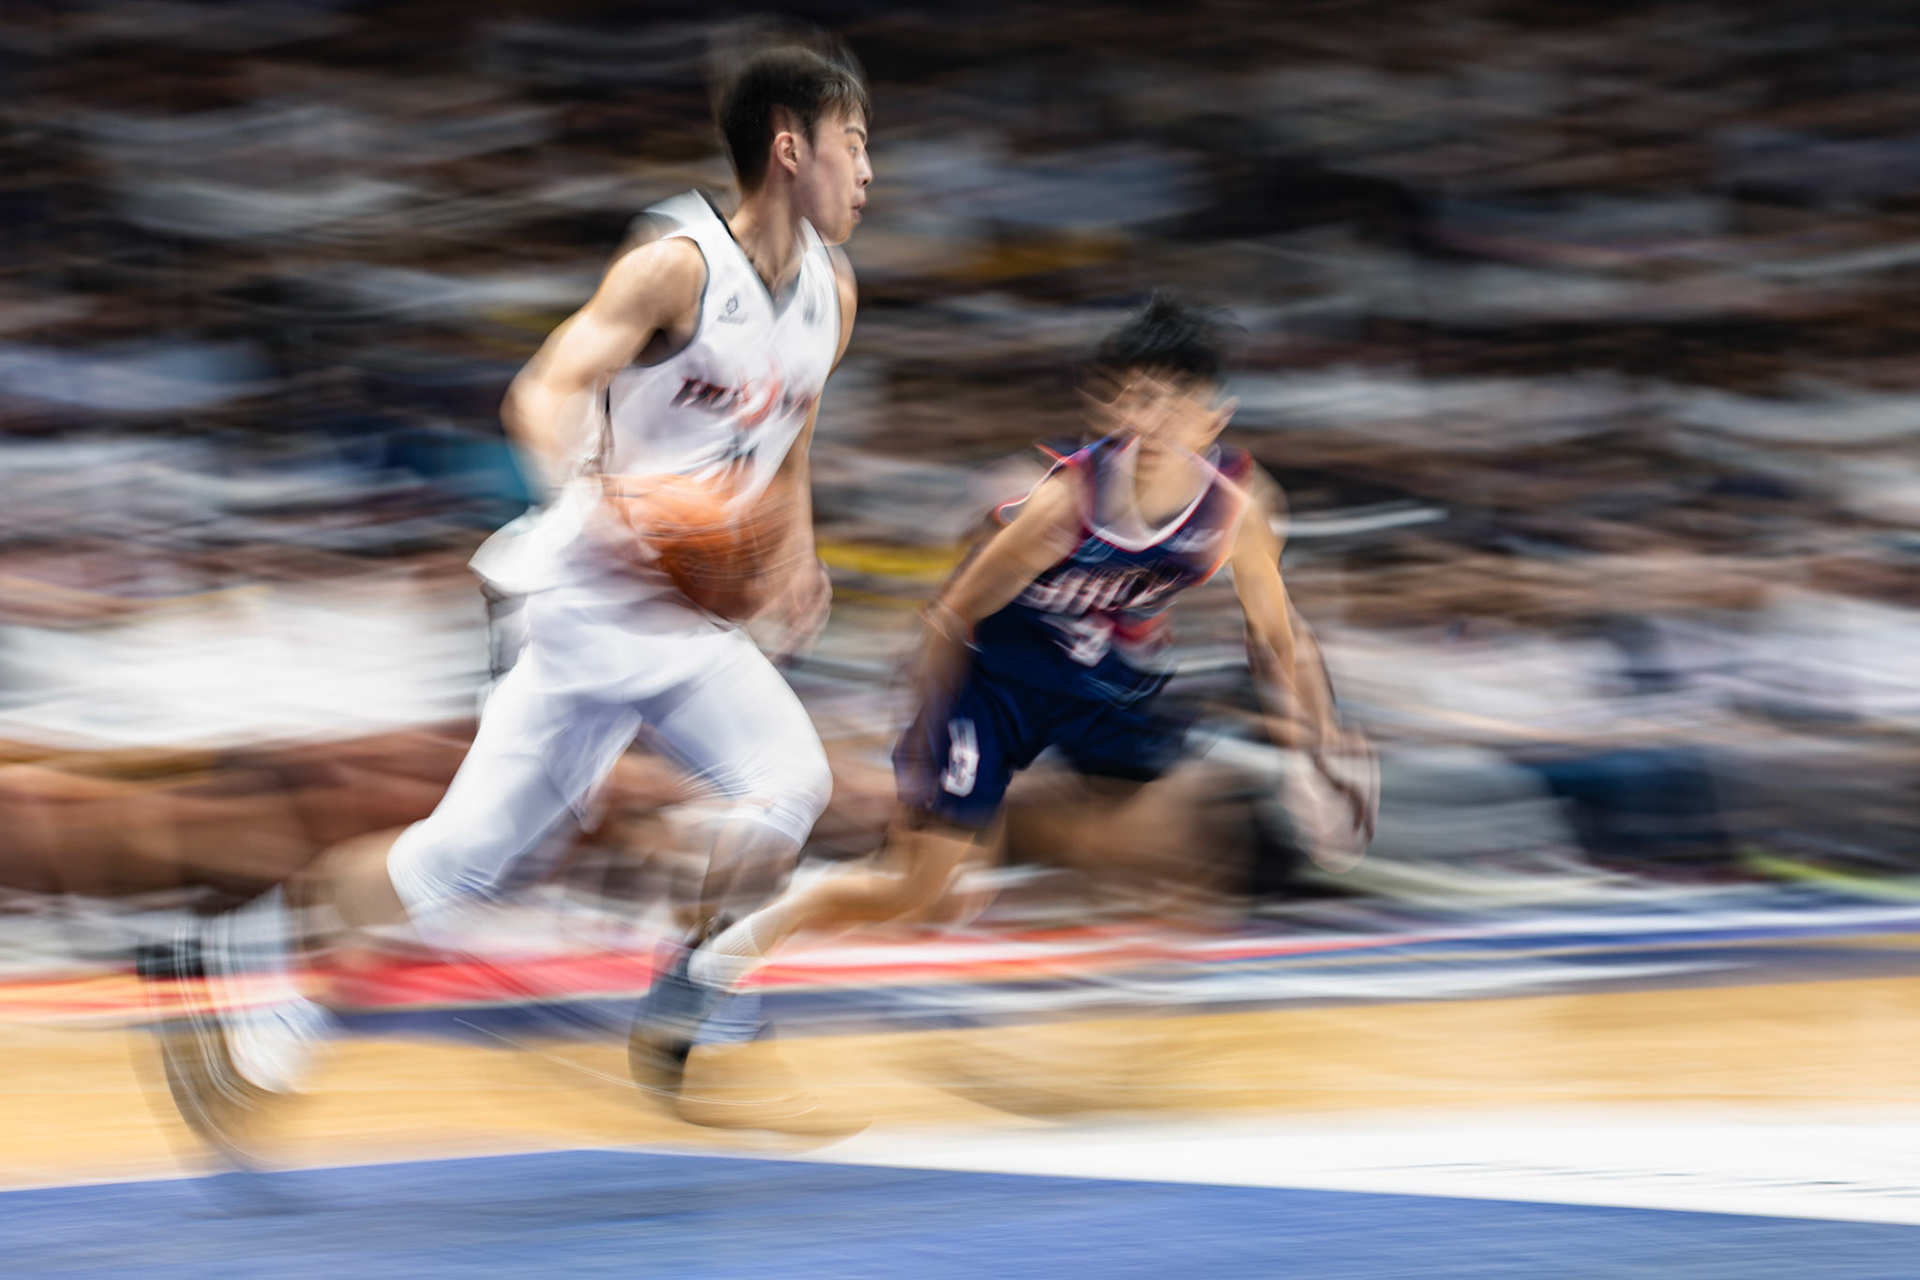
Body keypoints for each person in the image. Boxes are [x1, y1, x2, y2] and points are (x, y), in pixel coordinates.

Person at [154, 39, 872, 1155]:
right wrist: (610, 499)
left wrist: (799, 554)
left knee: (792, 783)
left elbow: (792, 437)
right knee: (458, 865)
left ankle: (688, 994)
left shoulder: (835, 290)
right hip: (590, 602)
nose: (869, 169)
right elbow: (543, 388)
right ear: (792, 147)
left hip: (687, 614)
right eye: (855, 141)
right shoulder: (676, 264)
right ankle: (244, 961)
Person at [633, 296, 1372, 1099]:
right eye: (1133, 396)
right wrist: (926, 733)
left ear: (1213, 415)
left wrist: (1322, 737)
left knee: (1195, 833)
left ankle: (1108, 999)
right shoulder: (1065, 504)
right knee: (912, 887)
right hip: (997, 682)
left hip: (1104, 682)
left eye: (1170, 399)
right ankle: (719, 956)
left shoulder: (1239, 507)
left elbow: (1277, 633)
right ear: (1108, 404)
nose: (1149, 416)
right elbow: (951, 613)